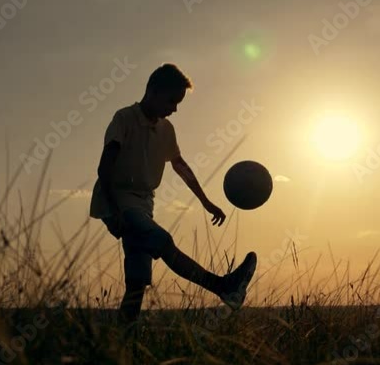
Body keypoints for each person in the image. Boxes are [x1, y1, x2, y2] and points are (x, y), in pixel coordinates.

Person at [90, 63, 257, 321]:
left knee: (136, 284)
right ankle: (224, 287)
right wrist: (113, 211)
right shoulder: (124, 118)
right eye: (171, 101)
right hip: (118, 199)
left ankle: (122, 346)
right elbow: (104, 168)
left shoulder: (166, 129)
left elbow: (180, 165)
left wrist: (206, 202)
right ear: (152, 91)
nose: (175, 109)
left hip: (144, 204)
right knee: (162, 241)